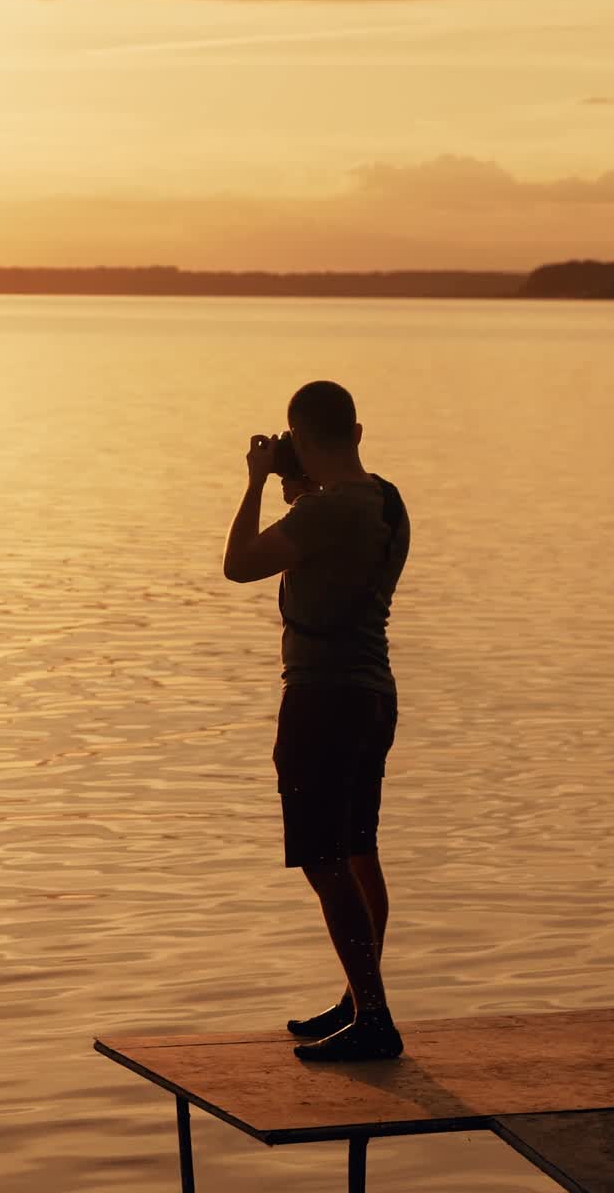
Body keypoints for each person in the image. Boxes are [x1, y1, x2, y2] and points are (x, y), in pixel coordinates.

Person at [222, 380, 410, 1061]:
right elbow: (324, 530)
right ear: (357, 433)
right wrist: (296, 483)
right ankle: (361, 999)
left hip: (321, 700)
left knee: (325, 858)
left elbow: (238, 565)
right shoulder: (385, 500)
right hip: (373, 695)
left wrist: (252, 482)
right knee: (359, 846)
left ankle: (375, 1017)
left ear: (300, 441)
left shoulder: (328, 511)